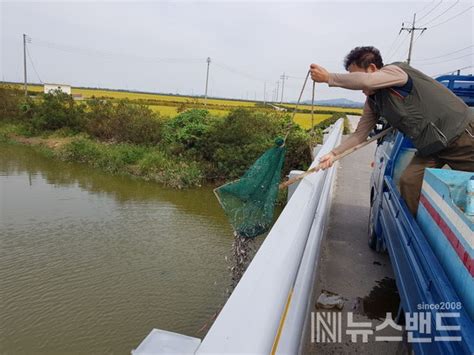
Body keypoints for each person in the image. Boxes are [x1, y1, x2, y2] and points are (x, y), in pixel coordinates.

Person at [309, 46, 474, 215]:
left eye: (355, 76)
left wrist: (328, 77)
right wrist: (333, 154)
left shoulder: (396, 71)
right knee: (409, 182)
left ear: (372, 69)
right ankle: (423, 232)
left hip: (461, 136)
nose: (357, 85)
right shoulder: (373, 102)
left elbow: (367, 81)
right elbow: (359, 136)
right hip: (431, 147)